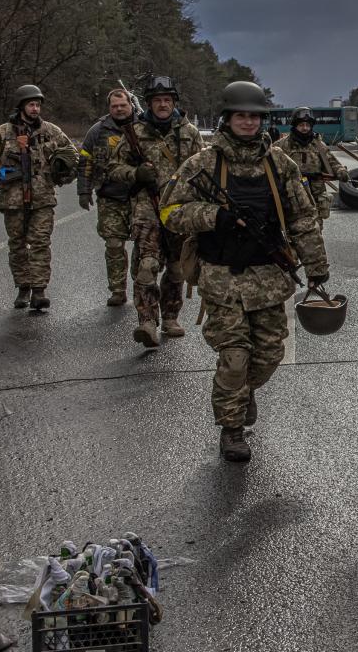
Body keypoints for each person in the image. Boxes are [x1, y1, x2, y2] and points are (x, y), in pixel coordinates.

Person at [160, 81, 330, 463]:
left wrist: (317, 266)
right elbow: (169, 213)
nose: (249, 123)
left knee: (268, 354)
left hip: (270, 278)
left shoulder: (279, 165)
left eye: (255, 116)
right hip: (222, 278)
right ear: (228, 118)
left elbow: (303, 218)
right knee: (235, 357)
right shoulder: (203, 164)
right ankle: (232, 428)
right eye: (242, 116)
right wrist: (213, 216)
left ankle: (242, 394)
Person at [107, 75, 205, 347]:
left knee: (176, 269)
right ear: (149, 103)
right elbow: (113, 169)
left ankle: (171, 317)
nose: (163, 105)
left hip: (179, 211)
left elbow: (203, 170)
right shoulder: (133, 133)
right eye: (157, 100)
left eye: (167, 100)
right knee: (147, 267)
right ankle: (147, 321)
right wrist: (135, 174)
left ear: (173, 102)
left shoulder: (189, 133)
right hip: (146, 209)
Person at [0, 84, 79, 311]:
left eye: (38, 105)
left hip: (43, 198)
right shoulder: (3, 132)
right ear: (22, 106)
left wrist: (64, 174)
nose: (35, 108)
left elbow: (72, 155)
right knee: (18, 245)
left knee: (41, 242)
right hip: (13, 199)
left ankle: (39, 290)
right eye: (31, 104)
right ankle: (23, 287)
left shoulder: (50, 131)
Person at [78, 89, 138, 307]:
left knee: (144, 246)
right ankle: (117, 289)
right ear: (109, 108)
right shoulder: (98, 131)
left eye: (123, 105)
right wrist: (83, 191)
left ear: (131, 104)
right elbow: (85, 162)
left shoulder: (144, 127)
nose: (119, 109)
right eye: (114, 106)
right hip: (109, 197)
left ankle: (141, 287)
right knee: (113, 245)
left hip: (139, 197)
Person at [274, 106, 349, 223]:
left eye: (307, 125)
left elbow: (332, 162)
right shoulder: (281, 145)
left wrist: (341, 172)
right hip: (291, 196)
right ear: (295, 125)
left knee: (316, 233)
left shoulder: (319, 145)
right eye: (301, 125)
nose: (305, 128)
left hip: (316, 196)